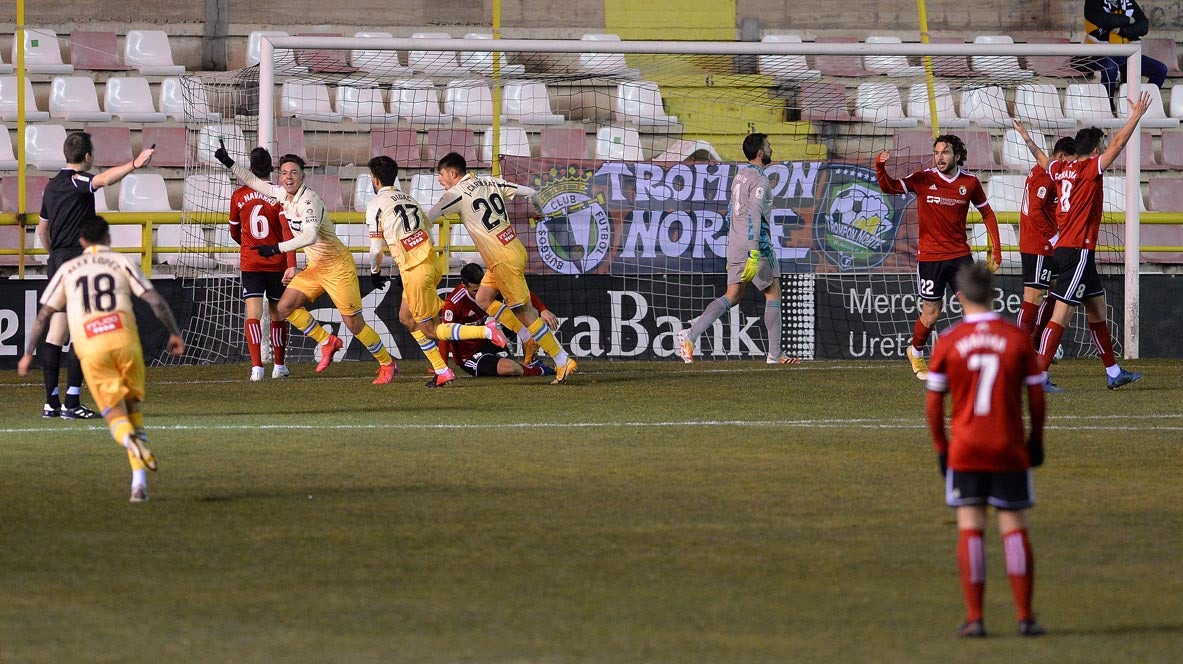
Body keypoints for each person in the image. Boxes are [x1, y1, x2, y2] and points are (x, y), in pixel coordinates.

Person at [18, 216, 185, 503]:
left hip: (91, 346)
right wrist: (174, 333)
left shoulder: (69, 268)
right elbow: (155, 300)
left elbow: (44, 315)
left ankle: (130, 446)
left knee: (113, 415)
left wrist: (27, 352)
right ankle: (139, 485)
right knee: (133, 413)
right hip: (125, 341)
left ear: (82, 241)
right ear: (108, 238)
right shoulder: (121, 262)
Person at [925, 262, 1046, 639]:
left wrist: (943, 449)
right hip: (1008, 447)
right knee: (1013, 527)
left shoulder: (948, 341)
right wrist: (1035, 441)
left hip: (966, 449)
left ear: (959, 297)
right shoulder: (1015, 338)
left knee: (971, 529)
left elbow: (933, 405)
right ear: (994, 294)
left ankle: (975, 619)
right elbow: (1037, 396)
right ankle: (1025, 617)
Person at [213, 144, 398, 384]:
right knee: (284, 307)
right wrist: (229, 163)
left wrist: (277, 248)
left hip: (338, 267)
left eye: (293, 173)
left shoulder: (309, 200)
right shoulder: (281, 194)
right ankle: (328, 341)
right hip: (316, 267)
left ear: (303, 176)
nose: (288, 177)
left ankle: (387, 363)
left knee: (353, 323)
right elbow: (254, 182)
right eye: (284, 173)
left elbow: (309, 236)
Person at [1012, 92, 1151, 390]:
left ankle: (1113, 371)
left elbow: (1042, 159)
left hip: (1070, 249)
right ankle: (1038, 374)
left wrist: (1026, 137)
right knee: (1061, 314)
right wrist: (1135, 116)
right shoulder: (1089, 170)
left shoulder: (1060, 169)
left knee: (1097, 308)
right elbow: (1118, 145)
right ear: (1095, 149)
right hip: (1077, 250)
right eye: (1101, 147)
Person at [426, 152, 576, 384]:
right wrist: (541, 212)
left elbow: (430, 217)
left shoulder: (456, 193)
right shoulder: (490, 181)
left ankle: (561, 360)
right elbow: (532, 193)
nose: (440, 180)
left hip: (502, 259)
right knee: (483, 298)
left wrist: (420, 233)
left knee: (525, 313)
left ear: (453, 174)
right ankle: (527, 336)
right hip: (511, 250)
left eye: (441, 175)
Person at [36, 131, 155, 419]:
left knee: (56, 332)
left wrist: (55, 254)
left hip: (57, 261)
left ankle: (51, 403)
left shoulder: (50, 186)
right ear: (87, 157)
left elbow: (42, 229)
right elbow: (104, 180)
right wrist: (135, 164)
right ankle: (72, 402)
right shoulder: (78, 181)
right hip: (78, 262)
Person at [364, 156, 508, 388]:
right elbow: (427, 233)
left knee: (431, 330)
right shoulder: (409, 199)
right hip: (431, 263)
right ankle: (442, 370)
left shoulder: (375, 205)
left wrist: (374, 271)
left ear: (375, 179)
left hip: (415, 271)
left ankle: (485, 331)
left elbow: (375, 250)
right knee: (406, 318)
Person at [875, 135, 1003, 380]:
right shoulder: (924, 178)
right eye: (936, 152)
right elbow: (889, 187)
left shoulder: (970, 182)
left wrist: (996, 248)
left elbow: (987, 213)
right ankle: (915, 351)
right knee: (933, 312)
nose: (939, 157)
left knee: (973, 307)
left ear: (957, 155)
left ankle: (974, 362)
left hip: (960, 257)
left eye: (945, 152)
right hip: (931, 258)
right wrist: (880, 167)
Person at [676, 133, 801, 366]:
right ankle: (775, 354)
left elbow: (730, 212)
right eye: (768, 145)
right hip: (756, 245)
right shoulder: (761, 180)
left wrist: (733, 245)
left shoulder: (739, 177)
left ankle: (690, 335)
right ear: (760, 153)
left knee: (732, 295)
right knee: (773, 292)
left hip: (735, 244)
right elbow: (754, 214)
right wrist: (753, 251)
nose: (772, 148)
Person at [228, 147, 295, 382]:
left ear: (250, 168)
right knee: (278, 314)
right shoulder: (280, 194)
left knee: (253, 314)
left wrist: (248, 244)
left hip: (251, 262)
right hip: (277, 262)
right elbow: (287, 233)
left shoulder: (238, 195)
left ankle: (257, 368)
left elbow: (234, 231)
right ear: (272, 168)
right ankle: (279, 365)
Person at [1014, 135, 1075, 370]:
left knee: (1055, 293)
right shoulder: (1045, 175)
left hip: (1046, 244)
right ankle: (1020, 349)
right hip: (1038, 243)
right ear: (1060, 157)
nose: (1070, 167)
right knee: (1033, 296)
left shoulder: (1044, 171)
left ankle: (1037, 342)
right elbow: (1036, 211)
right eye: (1069, 162)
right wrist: (1053, 237)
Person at [438, 263, 557, 378]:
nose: (480, 294)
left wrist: (543, 310)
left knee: (524, 312)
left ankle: (531, 359)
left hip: (489, 340)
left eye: (481, 289)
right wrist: (442, 368)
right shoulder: (453, 303)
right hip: (470, 356)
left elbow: (521, 294)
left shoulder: (487, 289)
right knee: (511, 368)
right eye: (475, 291)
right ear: (465, 285)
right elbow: (445, 335)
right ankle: (539, 370)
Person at [1084, 0, 1167, 100]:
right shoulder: (1092, 2)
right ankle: (1108, 107)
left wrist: (1121, 30)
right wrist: (1129, 20)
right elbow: (1106, 20)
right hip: (1099, 54)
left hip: (1126, 55)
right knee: (1110, 67)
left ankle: (1142, 105)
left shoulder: (1128, 2)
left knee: (1160, 69)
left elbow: (1144, 26)